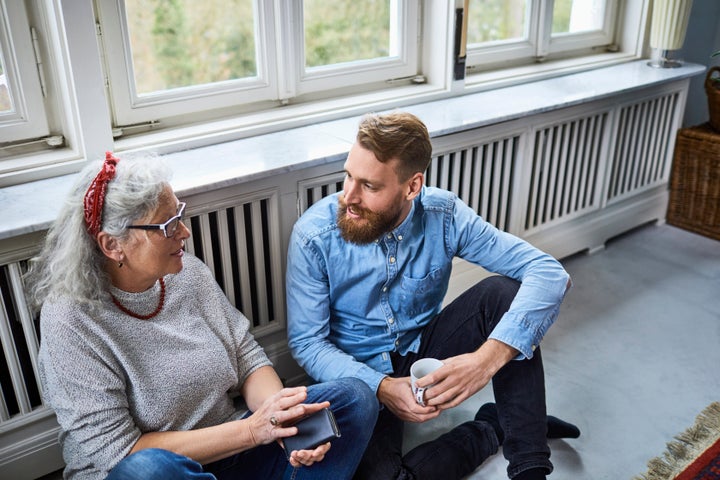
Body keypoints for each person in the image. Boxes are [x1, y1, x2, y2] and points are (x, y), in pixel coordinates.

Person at [25, 152, 378, 480]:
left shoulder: (184, 272)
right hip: (152, 470)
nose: (184, 232)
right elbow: (119, 453)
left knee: (355, 400)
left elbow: (247, 359)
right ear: (113, 245)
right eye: (166, 226)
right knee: (149, 470)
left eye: (179, 214)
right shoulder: (70, 320)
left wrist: (279, 417)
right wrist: (254, 429)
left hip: (229, 450)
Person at [286, 112, 580, 480]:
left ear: (412, 186)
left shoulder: (444, 215)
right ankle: (492, 428)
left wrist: (485, 362)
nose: (349, 196)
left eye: (370, 186)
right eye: (348, 176)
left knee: (505, 294)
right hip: (356, 378)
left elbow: (549, 273)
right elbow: (308, 343)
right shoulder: (314, 235)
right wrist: (382, 387)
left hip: (422, 350)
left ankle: (530, 467)